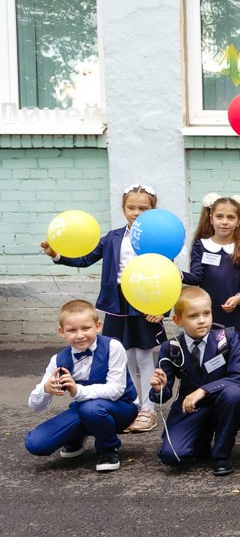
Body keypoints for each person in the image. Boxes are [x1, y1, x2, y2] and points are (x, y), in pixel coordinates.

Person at [41, 184, 165, 433]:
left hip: (145, 299)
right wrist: (57, 255)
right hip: (116, 302)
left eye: (143, 208)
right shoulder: (112, 237)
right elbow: (86, 258)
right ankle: (133, 405)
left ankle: (149, 409)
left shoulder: (158, 238)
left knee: (143, 355)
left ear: (153, 210)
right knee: (124, 354)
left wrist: (163, 308)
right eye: (131, 207)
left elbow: (167, 274)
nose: (136, 212)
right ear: (123, 209)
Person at [24, 299, 139, 472]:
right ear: (61, 332)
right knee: (36, 444)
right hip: (86, 409)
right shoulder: (58, 360)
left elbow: (116, 390)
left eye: (86, 328)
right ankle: (76, 438)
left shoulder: (113, 346)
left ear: (98, 326)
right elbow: (34, 406)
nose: (79, 335)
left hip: (122, 408)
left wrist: (78, 390)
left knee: (91, 409)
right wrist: (46, 390)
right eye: (72, 330)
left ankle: (108, 448)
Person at [149, 287, 240, 476]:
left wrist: (204, 390)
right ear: (178, 320)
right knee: (172, 456)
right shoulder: (171, 348)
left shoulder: (227, 338)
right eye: (193, 316)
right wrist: (160, 388)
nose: (202, 320)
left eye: (207, 313)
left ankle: (221, 454)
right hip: (190, 409)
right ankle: (201, 440)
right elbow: (164, 394)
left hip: (224, 403)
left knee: (233, 393)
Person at [182, 193, 240, 337]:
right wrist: (177, 274)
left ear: (239, 222)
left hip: (233, 315)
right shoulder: (201, 245)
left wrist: (239, 298)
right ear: (211, 219)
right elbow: (196, 278)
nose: (224, 222)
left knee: (233, 355)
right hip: (205, 314)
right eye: (219, 216)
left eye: (230, 217)